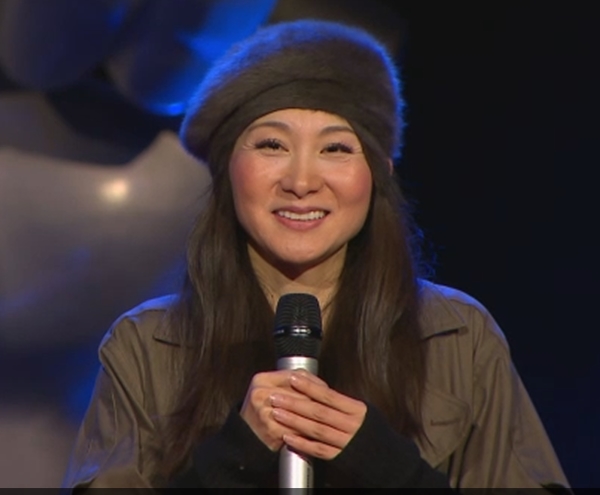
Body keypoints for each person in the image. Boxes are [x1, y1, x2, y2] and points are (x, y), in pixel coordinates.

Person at [63, 19, 570, 490]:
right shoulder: (147, 347)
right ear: (226, 171)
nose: (302, 182)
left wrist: (394, 471)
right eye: (271, 145)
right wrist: (229, 460)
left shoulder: (458, 337)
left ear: (379, 173)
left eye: (336, 149)